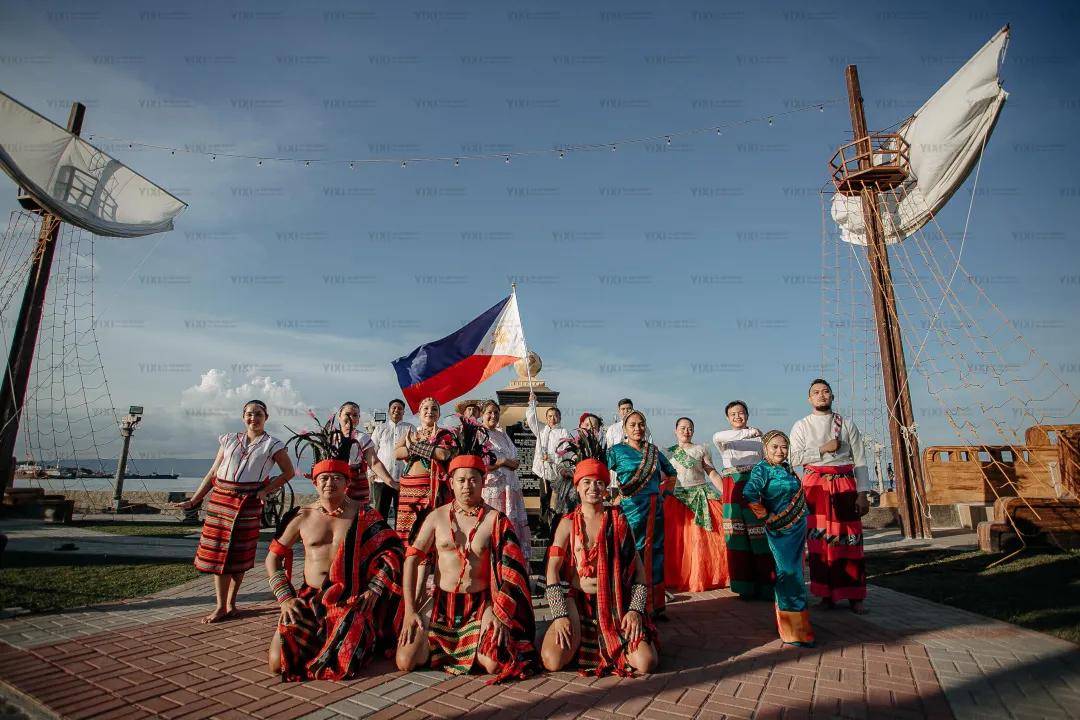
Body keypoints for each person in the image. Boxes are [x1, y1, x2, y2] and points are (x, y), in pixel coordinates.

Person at [395, 453, 537, 683]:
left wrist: (500, 612)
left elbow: (513, 571)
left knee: (492, 664)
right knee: (405, 661)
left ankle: (464, 646)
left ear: (483, 482)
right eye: (461, 480)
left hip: (481, 604)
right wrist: (410, 609)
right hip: (441, 603)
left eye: (473, 480)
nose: (467, 486)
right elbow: (411, 558)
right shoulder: (436, 517)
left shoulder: (496, 520)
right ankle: (440, 646)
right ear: (451, 483)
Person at [266, 458, 404, 679]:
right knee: (277, 662)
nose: (330, 482)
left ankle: (366, 634)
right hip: (309, 598)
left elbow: (395, 550)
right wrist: (285, 599)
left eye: (337, 478)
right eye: (324, 478)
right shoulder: (302, 516)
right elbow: (273, 558)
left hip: (349, 598)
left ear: (347, 483)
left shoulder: (364, 514)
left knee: (344, 661)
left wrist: (375, 587)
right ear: (314, 482)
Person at [540, 456, 658, 676]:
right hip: (577, 601)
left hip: (616, 602)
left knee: (646, 663)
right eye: (586, 482)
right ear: (577, 487)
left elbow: (640, 574)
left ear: (605, 488)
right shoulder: (566, 524)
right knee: (552, 661)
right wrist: (559, 614)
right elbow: (552, 571)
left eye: (599, 483)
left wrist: (635, 611)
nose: (593, 488)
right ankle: (563, 634)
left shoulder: (619, 520)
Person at [183, 400, 295, 623]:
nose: (254, 418)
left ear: (266, 417)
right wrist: (195, 499)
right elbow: (213, 472)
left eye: (259, 414)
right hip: (220, 501)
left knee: (239, 555)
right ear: (243, 416)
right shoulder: (228, 440)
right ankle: (220, 606)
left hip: (248, 502)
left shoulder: (272, 444)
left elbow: (289, 472)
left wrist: (266, 490)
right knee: (218, 553)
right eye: (250, 414)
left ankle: (232, 604)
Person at [789, 379, 871, 613]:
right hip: (815, 486)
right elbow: (794, 458)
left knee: (849, 539)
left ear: (832, 396)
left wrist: (863, 493)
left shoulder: (846, 424)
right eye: (816, 392)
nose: (821, 395)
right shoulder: (801, 426)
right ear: (809, 399)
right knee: (819, 541)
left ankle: (855, 595)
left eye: (825, 391)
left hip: (844, 484)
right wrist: (823, 449)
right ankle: (825, 594)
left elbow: (861, 461)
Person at [742, 431, 815, 647]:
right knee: (788, 573)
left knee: (797, 573)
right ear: (765, 449)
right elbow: (749, 494)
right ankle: (793, 629)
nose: (780, 451)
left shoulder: (787, 468)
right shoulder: (761, 469)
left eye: (784, 447)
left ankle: (798, 624)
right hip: (780, 530)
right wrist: (766, 516)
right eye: (774, 447)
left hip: (798, 526)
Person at [606, 410, 676, 616]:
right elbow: (600, 471)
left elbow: (671, 473)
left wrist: (666, 495)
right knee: (628, 550)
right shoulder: (616, 451)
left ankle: (653, 605)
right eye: (633, 425)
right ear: (625, 429)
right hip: (629, 508)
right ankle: (628, 603)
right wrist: (609, 497)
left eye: (641, 424)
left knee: (655, 552)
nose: (638, 428)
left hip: (655, 509)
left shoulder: (653, 451)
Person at [713, 401, 775, 600]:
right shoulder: (723, 438)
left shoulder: (760, 440)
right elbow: (721, 436)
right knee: (736, 535)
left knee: (760, 535)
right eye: (733, 414)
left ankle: (766, 585)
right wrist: (751, 432)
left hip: (755, 486)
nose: (737, 417)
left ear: (748, 415)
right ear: (727, 418)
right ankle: (744, 587)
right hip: (732, 486)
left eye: (741, 413)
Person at [662, 417, 728, 593]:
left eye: (690, 428)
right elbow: (663, 477)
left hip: (700, 496)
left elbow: (711, 472)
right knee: (677, 541)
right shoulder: (668, 452)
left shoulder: (701, 449)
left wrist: (725, 493)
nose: (686, 431)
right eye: (682, 428)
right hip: (676, 499)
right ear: (675, 430)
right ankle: (675, 577)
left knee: (703, 540)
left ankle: (705, 576)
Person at [394, 397, 454, 542]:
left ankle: (426, 562)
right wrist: (424, 448)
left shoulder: (444, 434)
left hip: (430, 487)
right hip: (408, 488)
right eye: (425, 408)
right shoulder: (411, 433)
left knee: (427, 527)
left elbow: (443, 454)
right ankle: (407, 560)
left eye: (434, 409)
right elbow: (397, 453)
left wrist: (413, 447)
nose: (429, 411)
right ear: (419, 412)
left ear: (439, 415)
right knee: (406, 530)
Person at [478, 400, 531, 563]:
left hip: (510, 488)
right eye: (489, 412)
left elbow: (514, 459)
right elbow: (480, 462)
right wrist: (502, 462)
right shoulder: (479, 434)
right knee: (493, 524)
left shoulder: (502, 434)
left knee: (510, 524)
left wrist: (508, 462)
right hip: (493, 488)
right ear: (482, 415)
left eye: (496, 412)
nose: (493, 415)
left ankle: (510, 562)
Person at [524, 391, 571, 534]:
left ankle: (556, 528)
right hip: (543, 472)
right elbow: (531, 418)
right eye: (549, 416)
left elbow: (564, 452)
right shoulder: (541, 429)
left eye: (555, 416)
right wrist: (532, 403)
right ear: (546, 418)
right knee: (544, 500)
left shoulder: (564, 432)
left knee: (557, 501)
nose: (552, 418)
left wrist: (551, 458)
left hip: (557, 472)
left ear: (560, 417)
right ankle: (543, 527)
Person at [335, 401, 396, 508]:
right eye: (347, 414)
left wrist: (391, 482)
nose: (351, 418)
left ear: (358, 419)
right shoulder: (330, 437)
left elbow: (374, 462)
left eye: (355, 415)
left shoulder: (362, 438)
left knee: (356, 516)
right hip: (334, 480)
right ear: (339, 416)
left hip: (356, 482)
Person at [371, 399, 415, 522]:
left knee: (402, 515)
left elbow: (414, 451)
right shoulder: (380, 429)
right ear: (389, 410)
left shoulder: (410, 428)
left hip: (403, 479)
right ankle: (381, 540)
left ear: (403, 412)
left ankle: (399, 540)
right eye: (394, 408)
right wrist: (371, 473)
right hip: (381, 479)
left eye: (400, 408)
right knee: (380, 514)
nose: (396, 410)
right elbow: (372, 452)